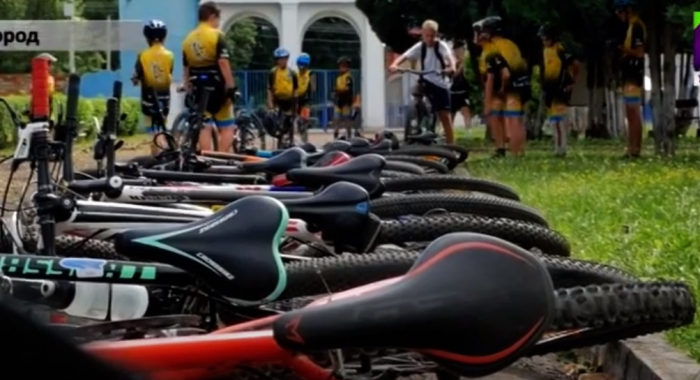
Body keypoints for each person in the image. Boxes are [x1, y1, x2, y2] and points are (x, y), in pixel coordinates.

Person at [389, 20, 456, 144]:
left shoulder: (441, 46)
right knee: (416, 90)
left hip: (440, 81)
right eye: (427, 36)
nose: (430, 39)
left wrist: (451, 67)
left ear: (436, 35)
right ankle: (417, 116)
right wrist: (394, 64)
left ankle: (451, 146)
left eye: (432, 36)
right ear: (423, 35)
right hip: (426, 79)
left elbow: (450, 58)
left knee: (445, 115)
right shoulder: (420, 46)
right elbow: (404, 56)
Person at [182, 1, 236, 153]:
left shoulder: (188, 39)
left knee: (203, 126)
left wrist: (187, 85)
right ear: (212, 17)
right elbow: (223, 62)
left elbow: (186, 66)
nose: (218, 23)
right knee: (227, 127)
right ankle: (222, 157)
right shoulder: (217, 35)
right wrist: (231, 87)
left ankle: (206, 157)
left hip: (198, 87)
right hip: (218, 86)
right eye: (218, 19)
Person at [474, 16, 530, 157]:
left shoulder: (493, 49)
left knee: (511, 120)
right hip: (521, 84)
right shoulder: (510, 44)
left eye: (483, 31)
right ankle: (516, 152)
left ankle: (514, 153)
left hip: (509, 87)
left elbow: (502, 74)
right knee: (514, 119)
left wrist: (498, 93)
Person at [132, 20, 174, 155]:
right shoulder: (170, 55)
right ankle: (163, 149)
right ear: (164, 37)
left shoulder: (142, 55)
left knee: (151, 130)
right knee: (162, 125)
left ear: (147, 37)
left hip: (148, 98)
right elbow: (169, 72)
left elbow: (137, 76)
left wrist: (136, 79)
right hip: (165, 97)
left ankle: (157, 154)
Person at [539, 24, 580, 157]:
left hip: (560, 88)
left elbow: (575, 64)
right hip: (550, 89)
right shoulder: (545, 51)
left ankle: (561, 149)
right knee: (553, 120)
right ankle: (557, 146)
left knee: (559, 120)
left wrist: (571, 81)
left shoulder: (560, 49)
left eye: (546, 39)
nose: (544, 42)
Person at [613, 0, 646, 158]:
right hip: (628, 72)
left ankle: (635, 149)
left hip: (634, 73)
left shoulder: (637, 26)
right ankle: (630, 148)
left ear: (629, 10)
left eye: (620, 11)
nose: (618, 15)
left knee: (633, 112)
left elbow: (639, 52)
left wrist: (621, 48)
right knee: (629, 112)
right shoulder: (631, 26)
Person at [267, 47, 298, 138]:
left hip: (289, 100)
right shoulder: (273, 72)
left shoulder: (292, 73)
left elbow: (295, 89)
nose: (282, 61)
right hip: (278, 100)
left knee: (290, 121)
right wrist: (270, 102)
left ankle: (291, 138)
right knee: (276, 121)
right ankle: (279, 137)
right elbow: (269, 88)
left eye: (284, 59)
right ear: (277, 60)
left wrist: (295, 103)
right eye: (280, 59)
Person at [450, 42, 472, 131]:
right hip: (453, 90)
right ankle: (447, 130)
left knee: (465, 110)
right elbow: (453, 74)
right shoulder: (453, 62)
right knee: (451, 112)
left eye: (459, 50)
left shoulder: (467, 62)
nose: (457, 53)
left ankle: (468, 129)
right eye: (456, 51)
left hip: (463, 90)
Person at [332, 56, 355, 139]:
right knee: (336, 119)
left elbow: (347, 89)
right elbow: (335, 89)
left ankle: (349, 136)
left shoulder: (348, 77)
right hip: (338, 101)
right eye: (341, 66)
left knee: (346, 119)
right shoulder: (338, 78)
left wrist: (338, 90)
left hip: (346, 102)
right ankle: (336, 134)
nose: (342, 67)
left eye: (344, 66)